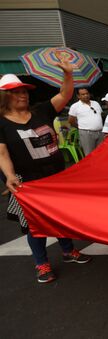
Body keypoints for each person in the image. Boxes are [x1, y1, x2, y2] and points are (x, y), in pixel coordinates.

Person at [0, 60, 91, 283]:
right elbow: (2, 153)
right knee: (35, 225)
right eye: (16, 93)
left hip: (55, 178)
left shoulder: (41, 110)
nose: (23, 95)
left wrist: (68, 74)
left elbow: (65, 94)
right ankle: (41, 263)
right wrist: (10, 176)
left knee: (61, 217)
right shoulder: (1, 123)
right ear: (4, 97)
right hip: (27, 183)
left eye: (24, 91)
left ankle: (68, 251)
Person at [68, 87, 104, 156]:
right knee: (89, 155)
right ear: (78, 96)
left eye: (87, 93)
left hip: (100, 132)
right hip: (86, 133)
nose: (86, 95)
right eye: (83, 94)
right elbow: (71, 120)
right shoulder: (75, 106)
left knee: (101, 153)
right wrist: (80, 127)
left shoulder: (96, 103)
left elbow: (100, 115)